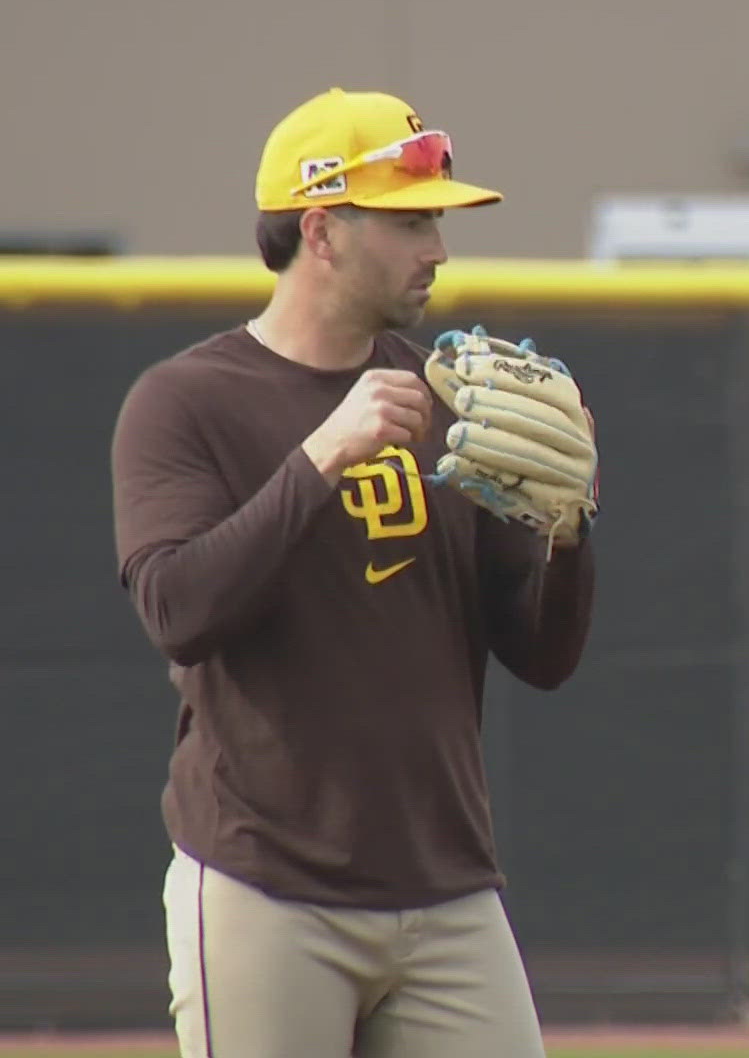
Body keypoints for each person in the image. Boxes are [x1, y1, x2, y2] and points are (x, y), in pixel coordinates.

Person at [109, 87, 595, 1057]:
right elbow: (178, 611)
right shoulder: (184, 402)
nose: (438, 249)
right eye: (411, 222)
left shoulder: (453, 396)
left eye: (437, 223)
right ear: (322, 229)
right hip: (266, 884)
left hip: (448, 883)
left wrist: (573, 527)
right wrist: (323, 454)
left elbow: (540, 654)